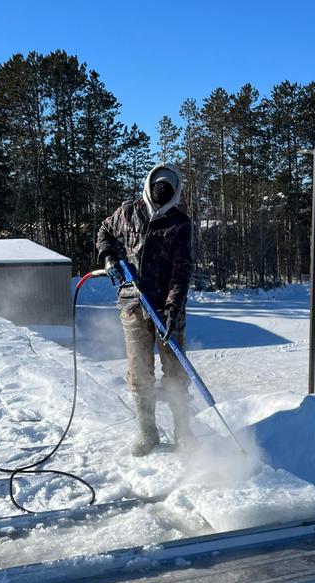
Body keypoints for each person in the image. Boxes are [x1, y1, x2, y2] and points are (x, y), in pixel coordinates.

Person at [95, 163, 195, 456]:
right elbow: (104, 230)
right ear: (149, 186)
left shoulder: (180, 223)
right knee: (139, 372)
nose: (161, 194)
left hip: (167, 309)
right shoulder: (128, 213)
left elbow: (182, 270)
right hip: (133, 303)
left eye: (169, 190)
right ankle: (147, 432)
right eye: (157, 188)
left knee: (176, 372)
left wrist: (172, 309)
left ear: (175, 193)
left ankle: (183, 432)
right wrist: (110, 256)